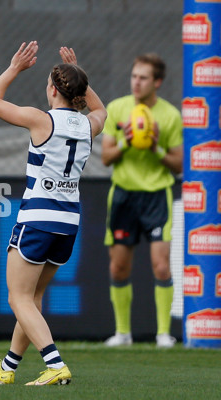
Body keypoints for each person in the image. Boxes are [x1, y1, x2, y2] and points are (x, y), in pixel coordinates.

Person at [0, 43, 107, 385]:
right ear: (79, 92)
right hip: (68, 224)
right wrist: (77, 74)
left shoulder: (41, 119)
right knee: (32, 298)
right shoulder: (88, 125)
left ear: (52, 89)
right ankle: (7, 368)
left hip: (37, 218)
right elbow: (102, 111)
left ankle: (54, 364)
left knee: (17, 297)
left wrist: (14, 68)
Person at [101, 53, 182, 348]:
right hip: (123, 196)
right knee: (118, 268)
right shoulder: (116, 108)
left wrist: (156, 147)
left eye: (143, 77)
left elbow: (178, 165)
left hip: (157, 196)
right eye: (134, 76)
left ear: (157, 82)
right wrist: (127, 140)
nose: (136, 82)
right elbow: (106, 157)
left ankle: (163, 334)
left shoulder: (171, 115)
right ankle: (123, 333)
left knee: (161, 267)